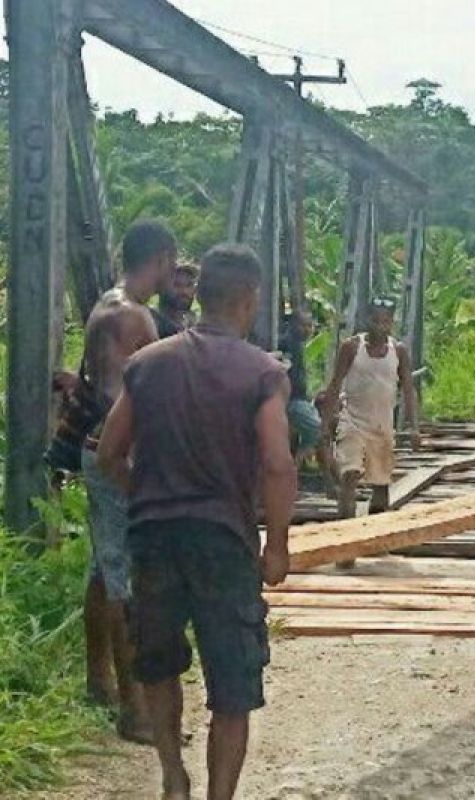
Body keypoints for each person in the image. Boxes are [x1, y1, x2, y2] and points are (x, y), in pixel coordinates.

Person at [97, 243, 297, 800]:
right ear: (249, 298)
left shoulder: (149, 363)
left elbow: (109, 451)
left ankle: (172, 775)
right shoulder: (262, 373)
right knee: (232, 682)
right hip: (222, 539)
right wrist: (276, 546)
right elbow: (279, 464)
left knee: (158, 661)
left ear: (201, 293)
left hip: (155, 537)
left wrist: (147, 496)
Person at [80, 219, 177, 742]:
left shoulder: (104, 304)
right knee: (126, 580)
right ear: (160, 259)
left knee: (103, 567)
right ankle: (135, 709)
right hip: (117, 454)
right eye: (171, 263)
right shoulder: (135, 316)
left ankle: (99, 681)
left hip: (95, 445)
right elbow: (145, 395)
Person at [320, 297, 421, 524]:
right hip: (352, 420)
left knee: (380, 483)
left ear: (391, 323)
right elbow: (335, 385)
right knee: (350, 474)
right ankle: (345, 533)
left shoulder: (399, 351)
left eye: (385, 321)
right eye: (375, 320)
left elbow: (408, 390)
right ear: (367, 320)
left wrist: (414, 428)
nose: (380, 326)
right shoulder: (352, 347)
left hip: (382, 426)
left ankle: (374, 532)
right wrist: (325, 424)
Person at [280, 307, 322, 463]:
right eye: (303, 325)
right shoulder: (286, 343)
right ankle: (296, 462)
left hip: (299, 399)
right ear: (292, 325)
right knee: (318, 428)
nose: (307, 330)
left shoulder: (297, 345)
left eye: (310, 326)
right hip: (292, 400)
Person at [156, 261, 199, 335]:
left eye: (189, 285)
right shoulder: (150, 322)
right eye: (176, 285)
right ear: (161, 288)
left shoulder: (195, 325)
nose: (184, 291)